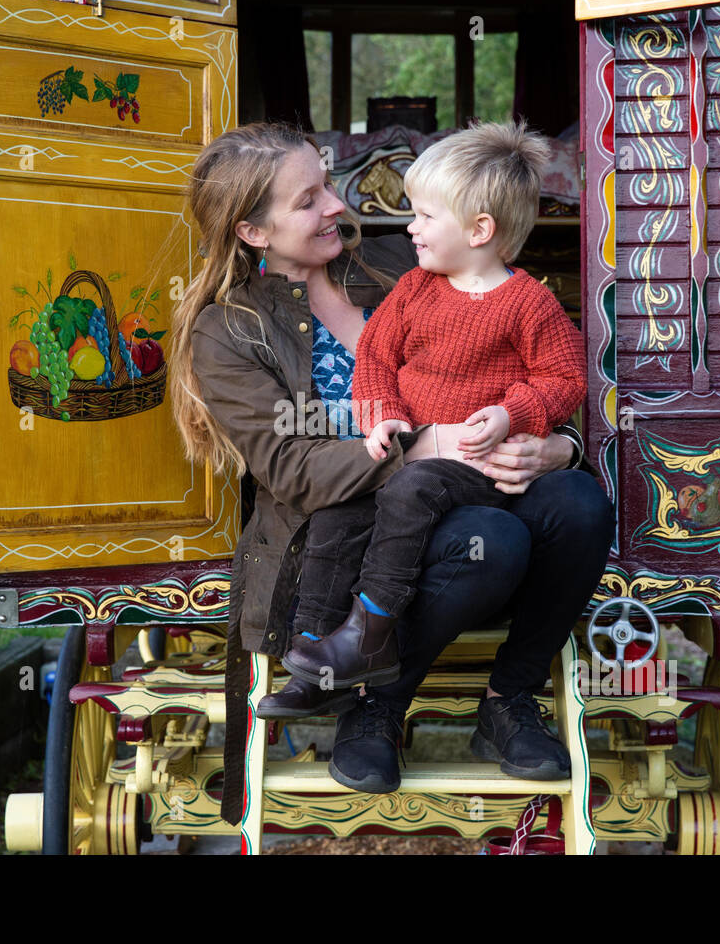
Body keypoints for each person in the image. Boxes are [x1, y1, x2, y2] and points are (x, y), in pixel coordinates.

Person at [169, 122, 614, 820]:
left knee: (580, 504)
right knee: (489, 542)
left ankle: (508, 699)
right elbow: (291, 468)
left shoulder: (390, 264)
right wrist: (424, 444)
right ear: (254, 231)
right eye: (309, 198)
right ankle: (377, 704)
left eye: (326, 186)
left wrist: (556, 447)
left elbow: (537, 369)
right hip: (361, 525)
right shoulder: (229, 329)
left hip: (478, 477)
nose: (338, 207)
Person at [281, 122, 588, 715]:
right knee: (334, 520)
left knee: (415, 486)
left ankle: (371, 631)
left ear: (480, 231)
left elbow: (565, 380)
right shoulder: (417, 288)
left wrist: (509, 412)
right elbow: (375, 357)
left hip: (475, 466)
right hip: (409, 453)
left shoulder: (530, 304)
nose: (410, 228)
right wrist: (384, 418)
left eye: (423, 216)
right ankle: (311, 656)